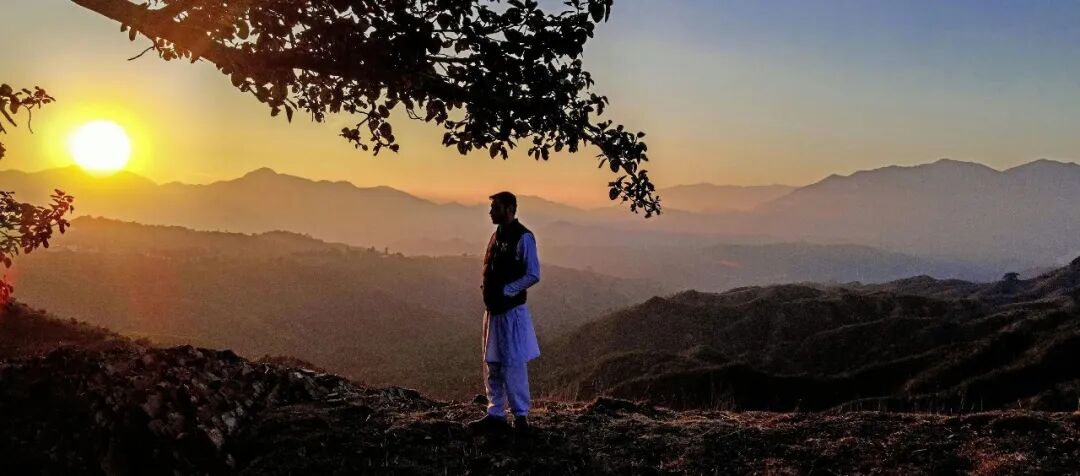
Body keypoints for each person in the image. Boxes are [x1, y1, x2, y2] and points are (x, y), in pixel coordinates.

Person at [468, 191, 541, 435]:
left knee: (514, 364)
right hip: (493, 311)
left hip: (511, 312)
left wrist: (507, 290)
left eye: (496, 208)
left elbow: (533, 273)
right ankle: (495, 414)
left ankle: (520, 418)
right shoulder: (496, 236)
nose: (491, 212)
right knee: (492, 363)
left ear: (510, 209)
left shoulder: (524, 237)